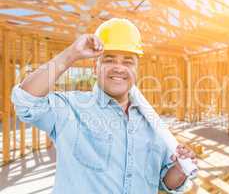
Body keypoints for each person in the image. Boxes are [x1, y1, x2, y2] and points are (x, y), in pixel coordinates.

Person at [11, 18, 197, 194]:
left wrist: (180, 169)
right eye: (109, 59)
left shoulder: (153, 122)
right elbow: (26, 102)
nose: (119, 67)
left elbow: (164, 181)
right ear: (95, 67)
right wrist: (71, 54)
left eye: (128, 61)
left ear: (136, 69)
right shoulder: (71, 108)